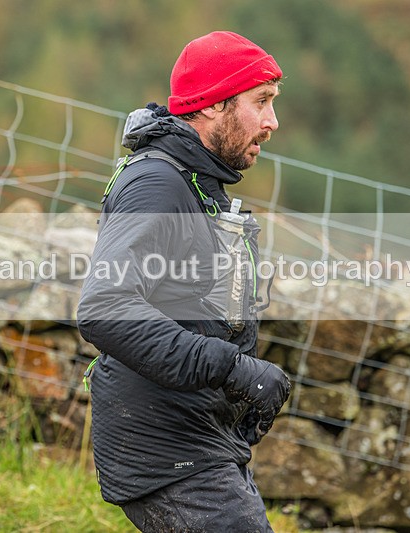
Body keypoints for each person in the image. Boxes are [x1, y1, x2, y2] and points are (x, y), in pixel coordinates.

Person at [77, 31, 290, 532]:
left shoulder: (197, 181)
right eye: (260, 102)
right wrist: (234, 369)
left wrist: (234, 395)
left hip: (197, 440)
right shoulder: (159, 183)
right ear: (214, 105)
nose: (271, 122)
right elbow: (105, 306)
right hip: (165, 450)